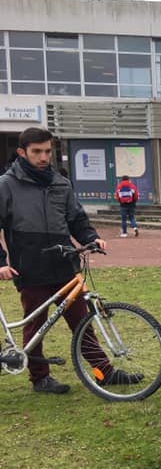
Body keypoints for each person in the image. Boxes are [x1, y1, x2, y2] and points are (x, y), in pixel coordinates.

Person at [0, 127, 138, 394]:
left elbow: (76, 219)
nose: (43, 157)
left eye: (48, 151)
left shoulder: (61, 183)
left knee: (82, 322)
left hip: (65, 264)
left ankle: (104, 372)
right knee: (35, 325)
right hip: (30, 266)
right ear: (21, 152)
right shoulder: (6, 186)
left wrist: (92, 237)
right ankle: (40, 378)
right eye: (37, 151)